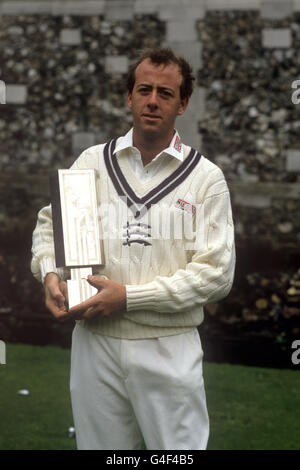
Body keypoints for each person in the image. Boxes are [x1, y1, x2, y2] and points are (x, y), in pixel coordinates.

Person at [31, 47, 235, 450]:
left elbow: (216, 275)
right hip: (94, 343)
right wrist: (51, 274)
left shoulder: (206, 179)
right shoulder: (92, 161)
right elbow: (51, 227)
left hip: (168, 345)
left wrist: (129, 298)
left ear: (183, 103)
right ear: (129, 97)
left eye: (165, 93)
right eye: (144, 90)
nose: (153, 101)